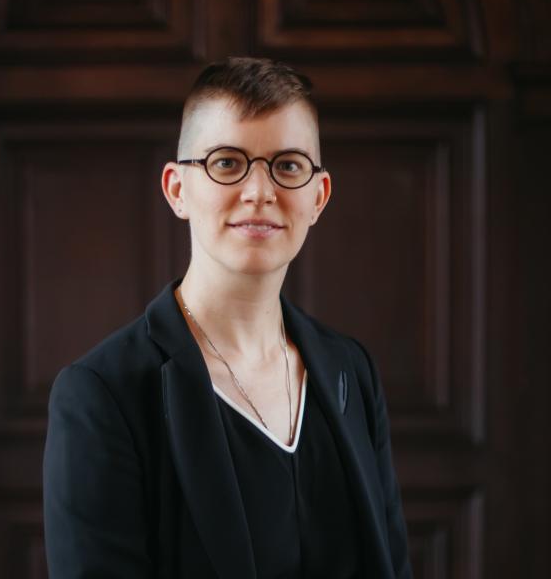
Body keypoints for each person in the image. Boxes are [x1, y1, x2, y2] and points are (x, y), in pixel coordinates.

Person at [43, 57, 412, 578]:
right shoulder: (102, 394)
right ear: (177, 189)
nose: (259, 192)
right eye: (226, 162)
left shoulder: (351, 369)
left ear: (318, 196)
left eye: (287, 165)